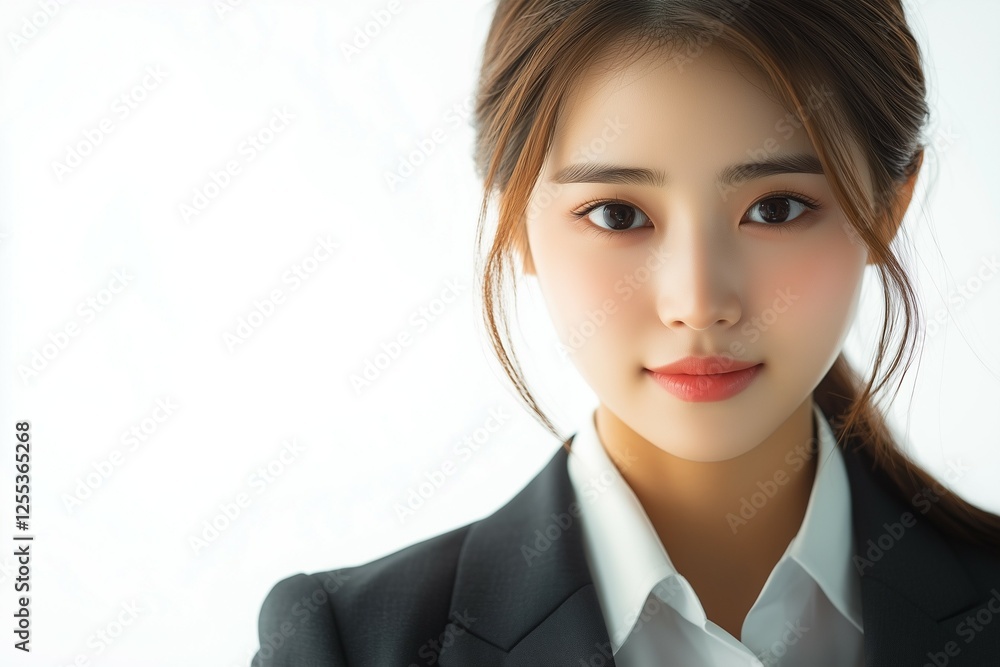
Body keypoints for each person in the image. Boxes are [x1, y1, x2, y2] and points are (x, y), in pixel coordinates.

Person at [251, 1, 1000, 664]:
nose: (699, 303)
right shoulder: (350, 646)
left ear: (889, 207)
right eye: (618, 214)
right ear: (516, 225)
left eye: (776, 208)